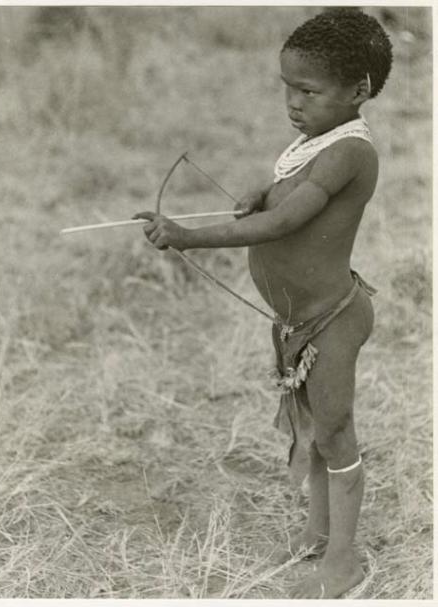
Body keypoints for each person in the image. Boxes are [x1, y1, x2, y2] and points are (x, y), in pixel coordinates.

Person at [134, 8, 393, 599]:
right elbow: (287, 194)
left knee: (336, 431)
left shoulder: (352, 152)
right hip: (298, 323)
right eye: (287, 89)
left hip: (332, 320)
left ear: (359, 91)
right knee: (313, 432)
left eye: (307, 90)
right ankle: (316, 533)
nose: (293, 103)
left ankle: (345, 562)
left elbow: (283, 223)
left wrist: (186, 236)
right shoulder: (317, 138)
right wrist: (262, 189)